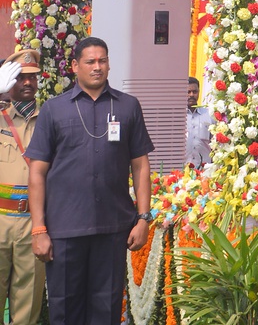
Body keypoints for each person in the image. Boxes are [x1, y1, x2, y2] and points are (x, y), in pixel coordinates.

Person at [26, 35, 152, 325]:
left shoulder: (127, 106)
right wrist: (38, 228)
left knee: (106, 310)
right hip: (64, 229)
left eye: (102, 61)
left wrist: (144, 218)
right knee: (65, 310)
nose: (97, 67)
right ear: (75, 66)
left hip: (113, 228)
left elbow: (140, 165)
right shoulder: (54, 109)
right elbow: (37, 172)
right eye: (90, 61)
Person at [0, 51, 44, 325]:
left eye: (32, 77)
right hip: (0, 219)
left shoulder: (50, 118)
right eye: (20, 77)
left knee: (27, 306)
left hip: (34, 222)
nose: (27, 82)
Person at [186, 76, 210, 170]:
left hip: (204, 170)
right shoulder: (177, 116)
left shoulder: (209, 115)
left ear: (199, 92)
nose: (191, 95)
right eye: (188, 92)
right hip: (181, 171)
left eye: (194, 92)